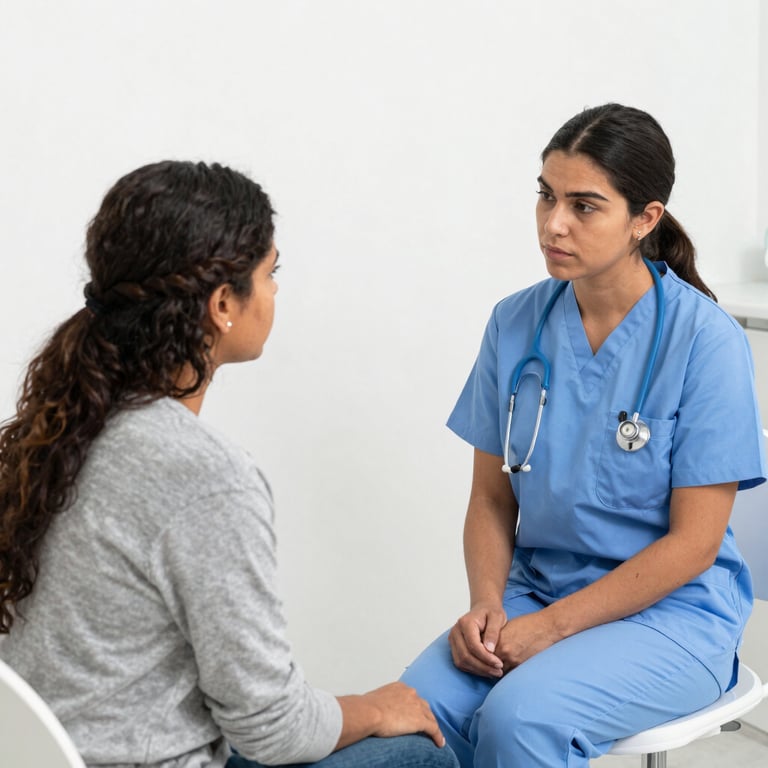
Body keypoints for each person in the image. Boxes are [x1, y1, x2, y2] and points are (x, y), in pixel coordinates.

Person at [0, 161, 458, 768]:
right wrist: (375, 707)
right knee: (416, 756)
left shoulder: (53, 429)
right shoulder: (202, 476)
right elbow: (275, 729)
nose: (273, 293)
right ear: (222, 303)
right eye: (270, 275)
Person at [399, 103, 766, 767]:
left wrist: (553, 628)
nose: (553, 224)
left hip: (672, 618)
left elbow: (694, 545)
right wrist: (488, 605)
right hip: (533, 593)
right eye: (545, 196)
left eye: (584, 206)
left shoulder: (704, 341)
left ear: (644, 220)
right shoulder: (515, 325)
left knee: (520, 718)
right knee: (411, 713)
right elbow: (490, 500)